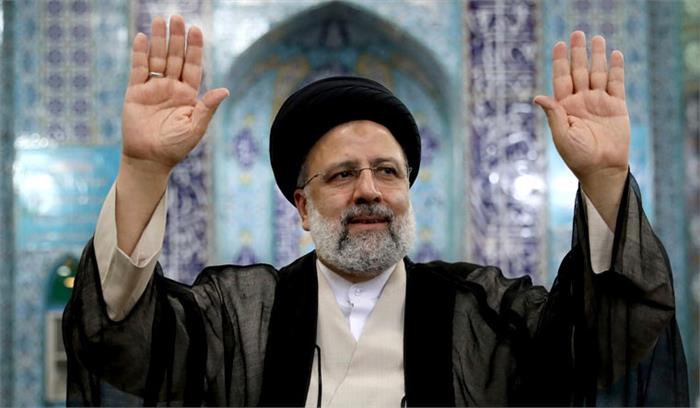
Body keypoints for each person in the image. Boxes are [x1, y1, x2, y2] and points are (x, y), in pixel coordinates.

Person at [63, 15, 688, 406]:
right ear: (302, 206)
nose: (369, 190)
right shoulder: (238, 315)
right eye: (342, 175)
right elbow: (118, 335)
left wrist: (604, 178)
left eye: (387, 171)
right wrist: (144, 168)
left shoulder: (483, 309)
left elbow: (604, 338)